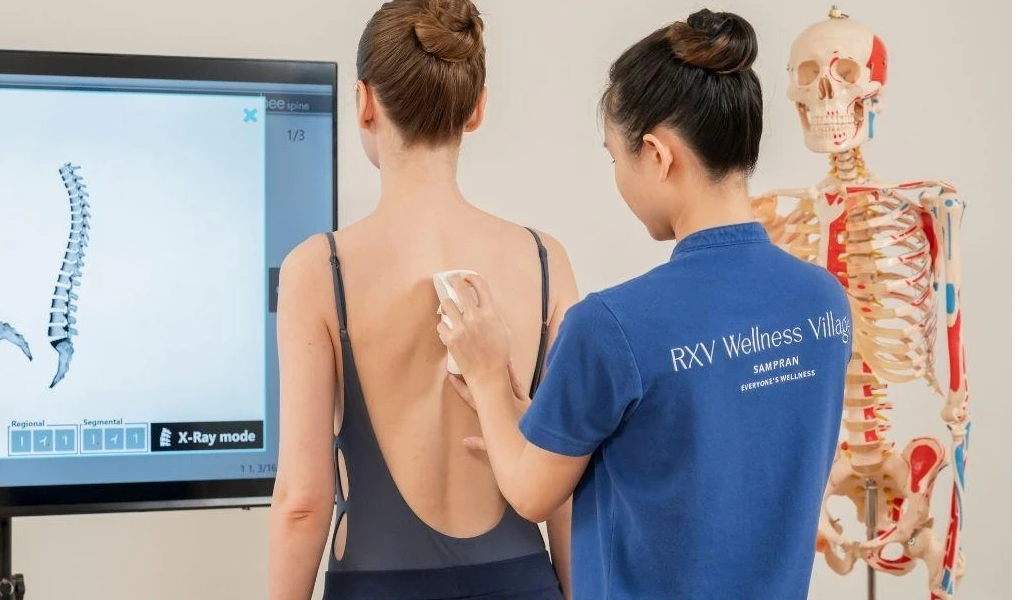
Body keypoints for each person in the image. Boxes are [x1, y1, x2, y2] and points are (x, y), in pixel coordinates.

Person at [437, 9, 854, 600]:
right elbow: (717, 433)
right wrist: (541, 412)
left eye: (615, 156)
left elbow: (531, 492)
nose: (617, 176)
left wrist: (483, 375)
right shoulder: (824, 303)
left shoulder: (611, 328)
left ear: (657, 155)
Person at [267, 1, 579, 599]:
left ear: (364, 102)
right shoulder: (545, 258)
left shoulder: (319, 269)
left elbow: (302, 503)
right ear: (477, 108)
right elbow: (564, 491)